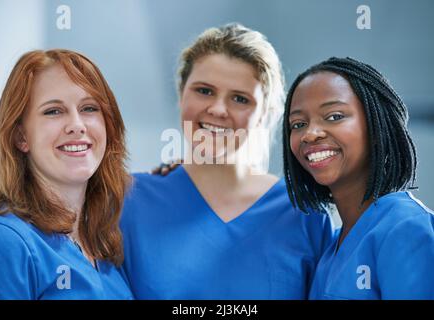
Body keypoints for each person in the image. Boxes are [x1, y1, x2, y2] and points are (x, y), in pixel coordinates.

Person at [120, 23, 335, 299]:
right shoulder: (127, 201)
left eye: (240, 99)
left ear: (265, 114)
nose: (218, 109)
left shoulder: (305, 215)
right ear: (181, 92)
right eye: (204, 91)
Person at [283, 57, 434, 299]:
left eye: (334, 116)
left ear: (376, 126)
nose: (310, 134)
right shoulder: (332, 249)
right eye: (298, 124)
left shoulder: (405, 227)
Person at [0, 49, 133, 299]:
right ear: (20, 136)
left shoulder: (102, 245)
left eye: (89, 108)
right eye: (53, 111)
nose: (77, 126)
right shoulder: (7, 241)